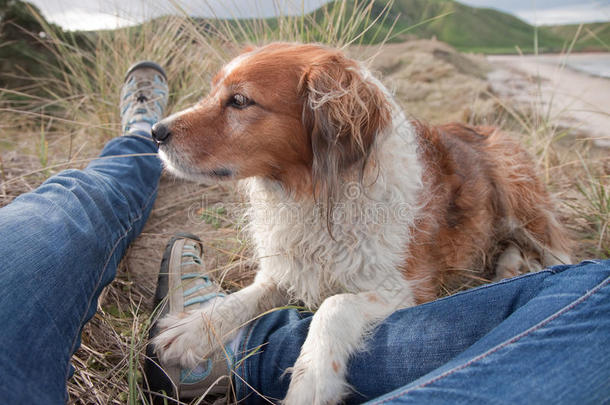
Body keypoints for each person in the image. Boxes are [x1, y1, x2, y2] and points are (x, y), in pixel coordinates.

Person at [0, 62, 608, 405]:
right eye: (221, 96)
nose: (181, 122)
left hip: (439, 178)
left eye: (236, 103)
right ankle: (241, 352)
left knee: (506, 166)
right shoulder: (284, 185)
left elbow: (399, 288)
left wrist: (337, 313)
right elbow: (281, 276)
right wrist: (242, 303)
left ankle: (127, 147)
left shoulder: (381, 183)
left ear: (328, 131)